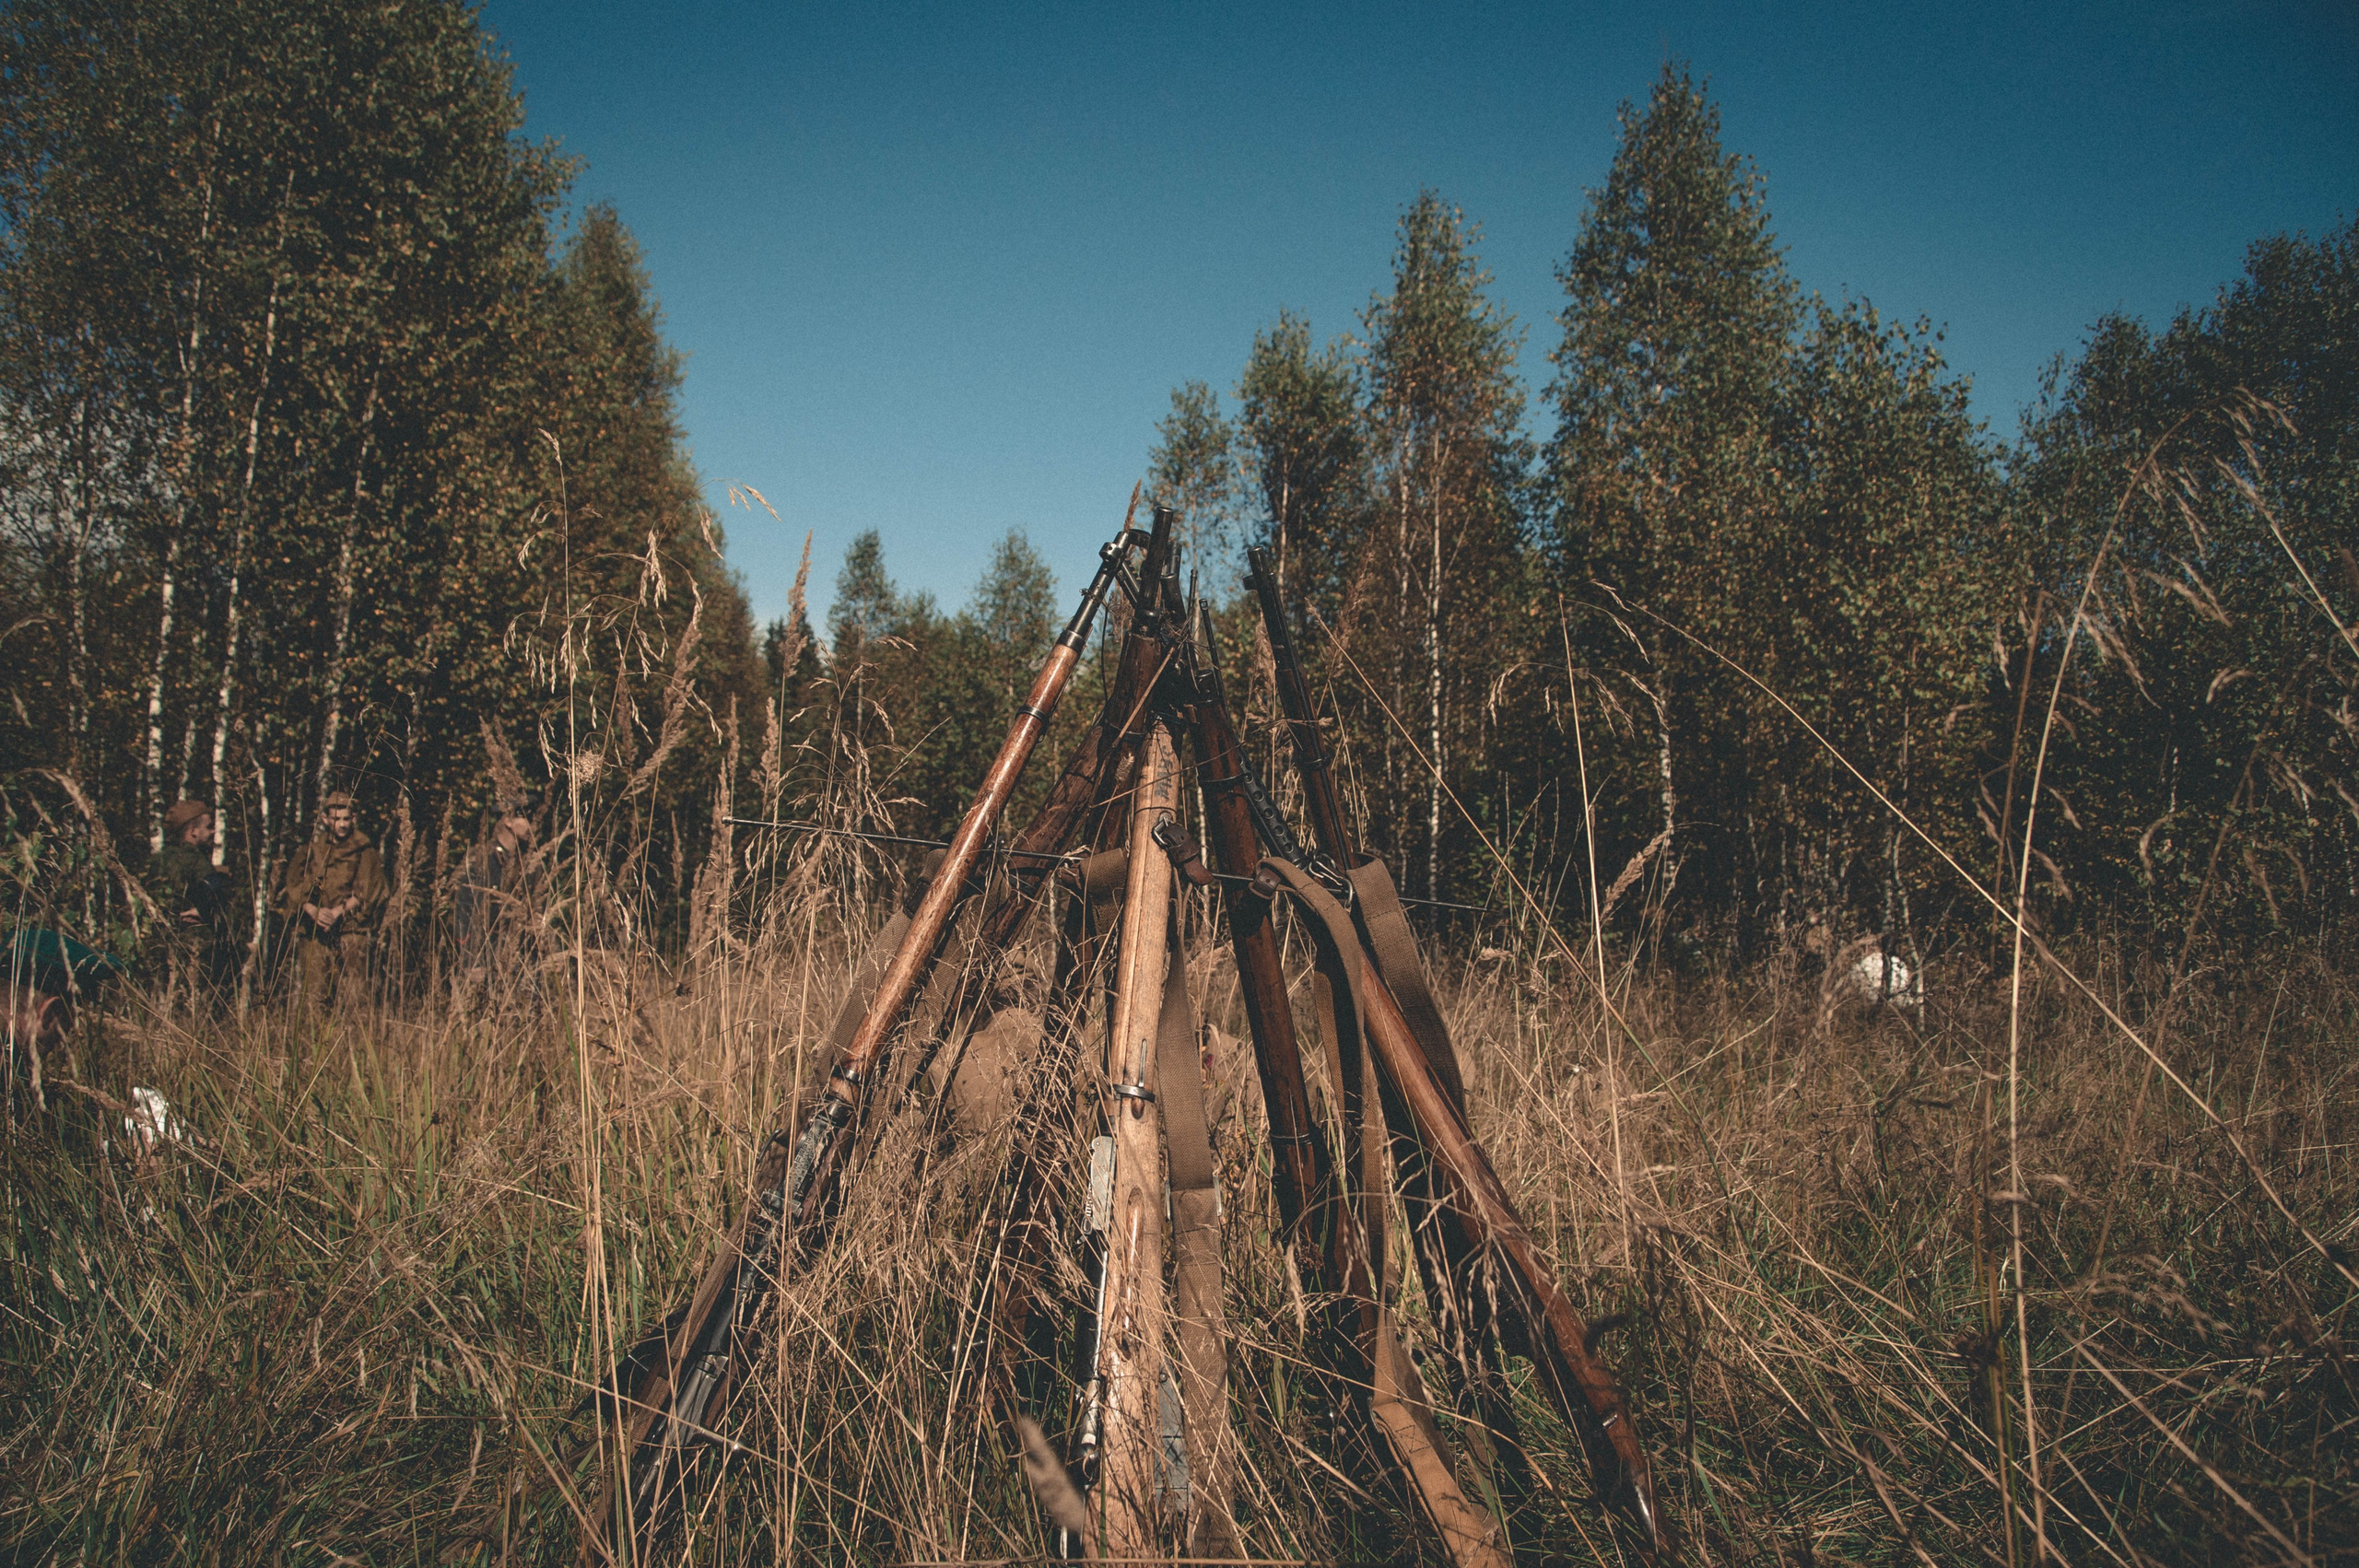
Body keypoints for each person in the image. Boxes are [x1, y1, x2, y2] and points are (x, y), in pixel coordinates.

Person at [274, 791, 387, 1008]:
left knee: (355, 997)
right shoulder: (312, 852)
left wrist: (337, 912)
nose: (342, 825)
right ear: (325, 819)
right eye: (336, 819)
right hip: (315, 932)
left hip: (351, 931)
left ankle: (352, 1042)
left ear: (353, 819)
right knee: (314, 996)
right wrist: (312, 910)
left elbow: (369, 890)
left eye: (346, 819)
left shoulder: (365, 851)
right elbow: (293, 887)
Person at [452, 809, 542, 1010]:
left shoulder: (529, 862)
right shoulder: (481, 860)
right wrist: (471, 962)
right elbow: (463, 913)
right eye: (526, 818)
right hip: (486, 958)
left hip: (523, 959)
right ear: (508, 820)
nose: (532, 826)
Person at [153, 799, 237, 1002]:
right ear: (193, 831)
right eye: (208, 827)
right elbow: (214, 896)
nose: (212, 833)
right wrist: (204, 910)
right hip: (194, 943)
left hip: (159, 939)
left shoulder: (158, 859)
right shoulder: (196, 860)